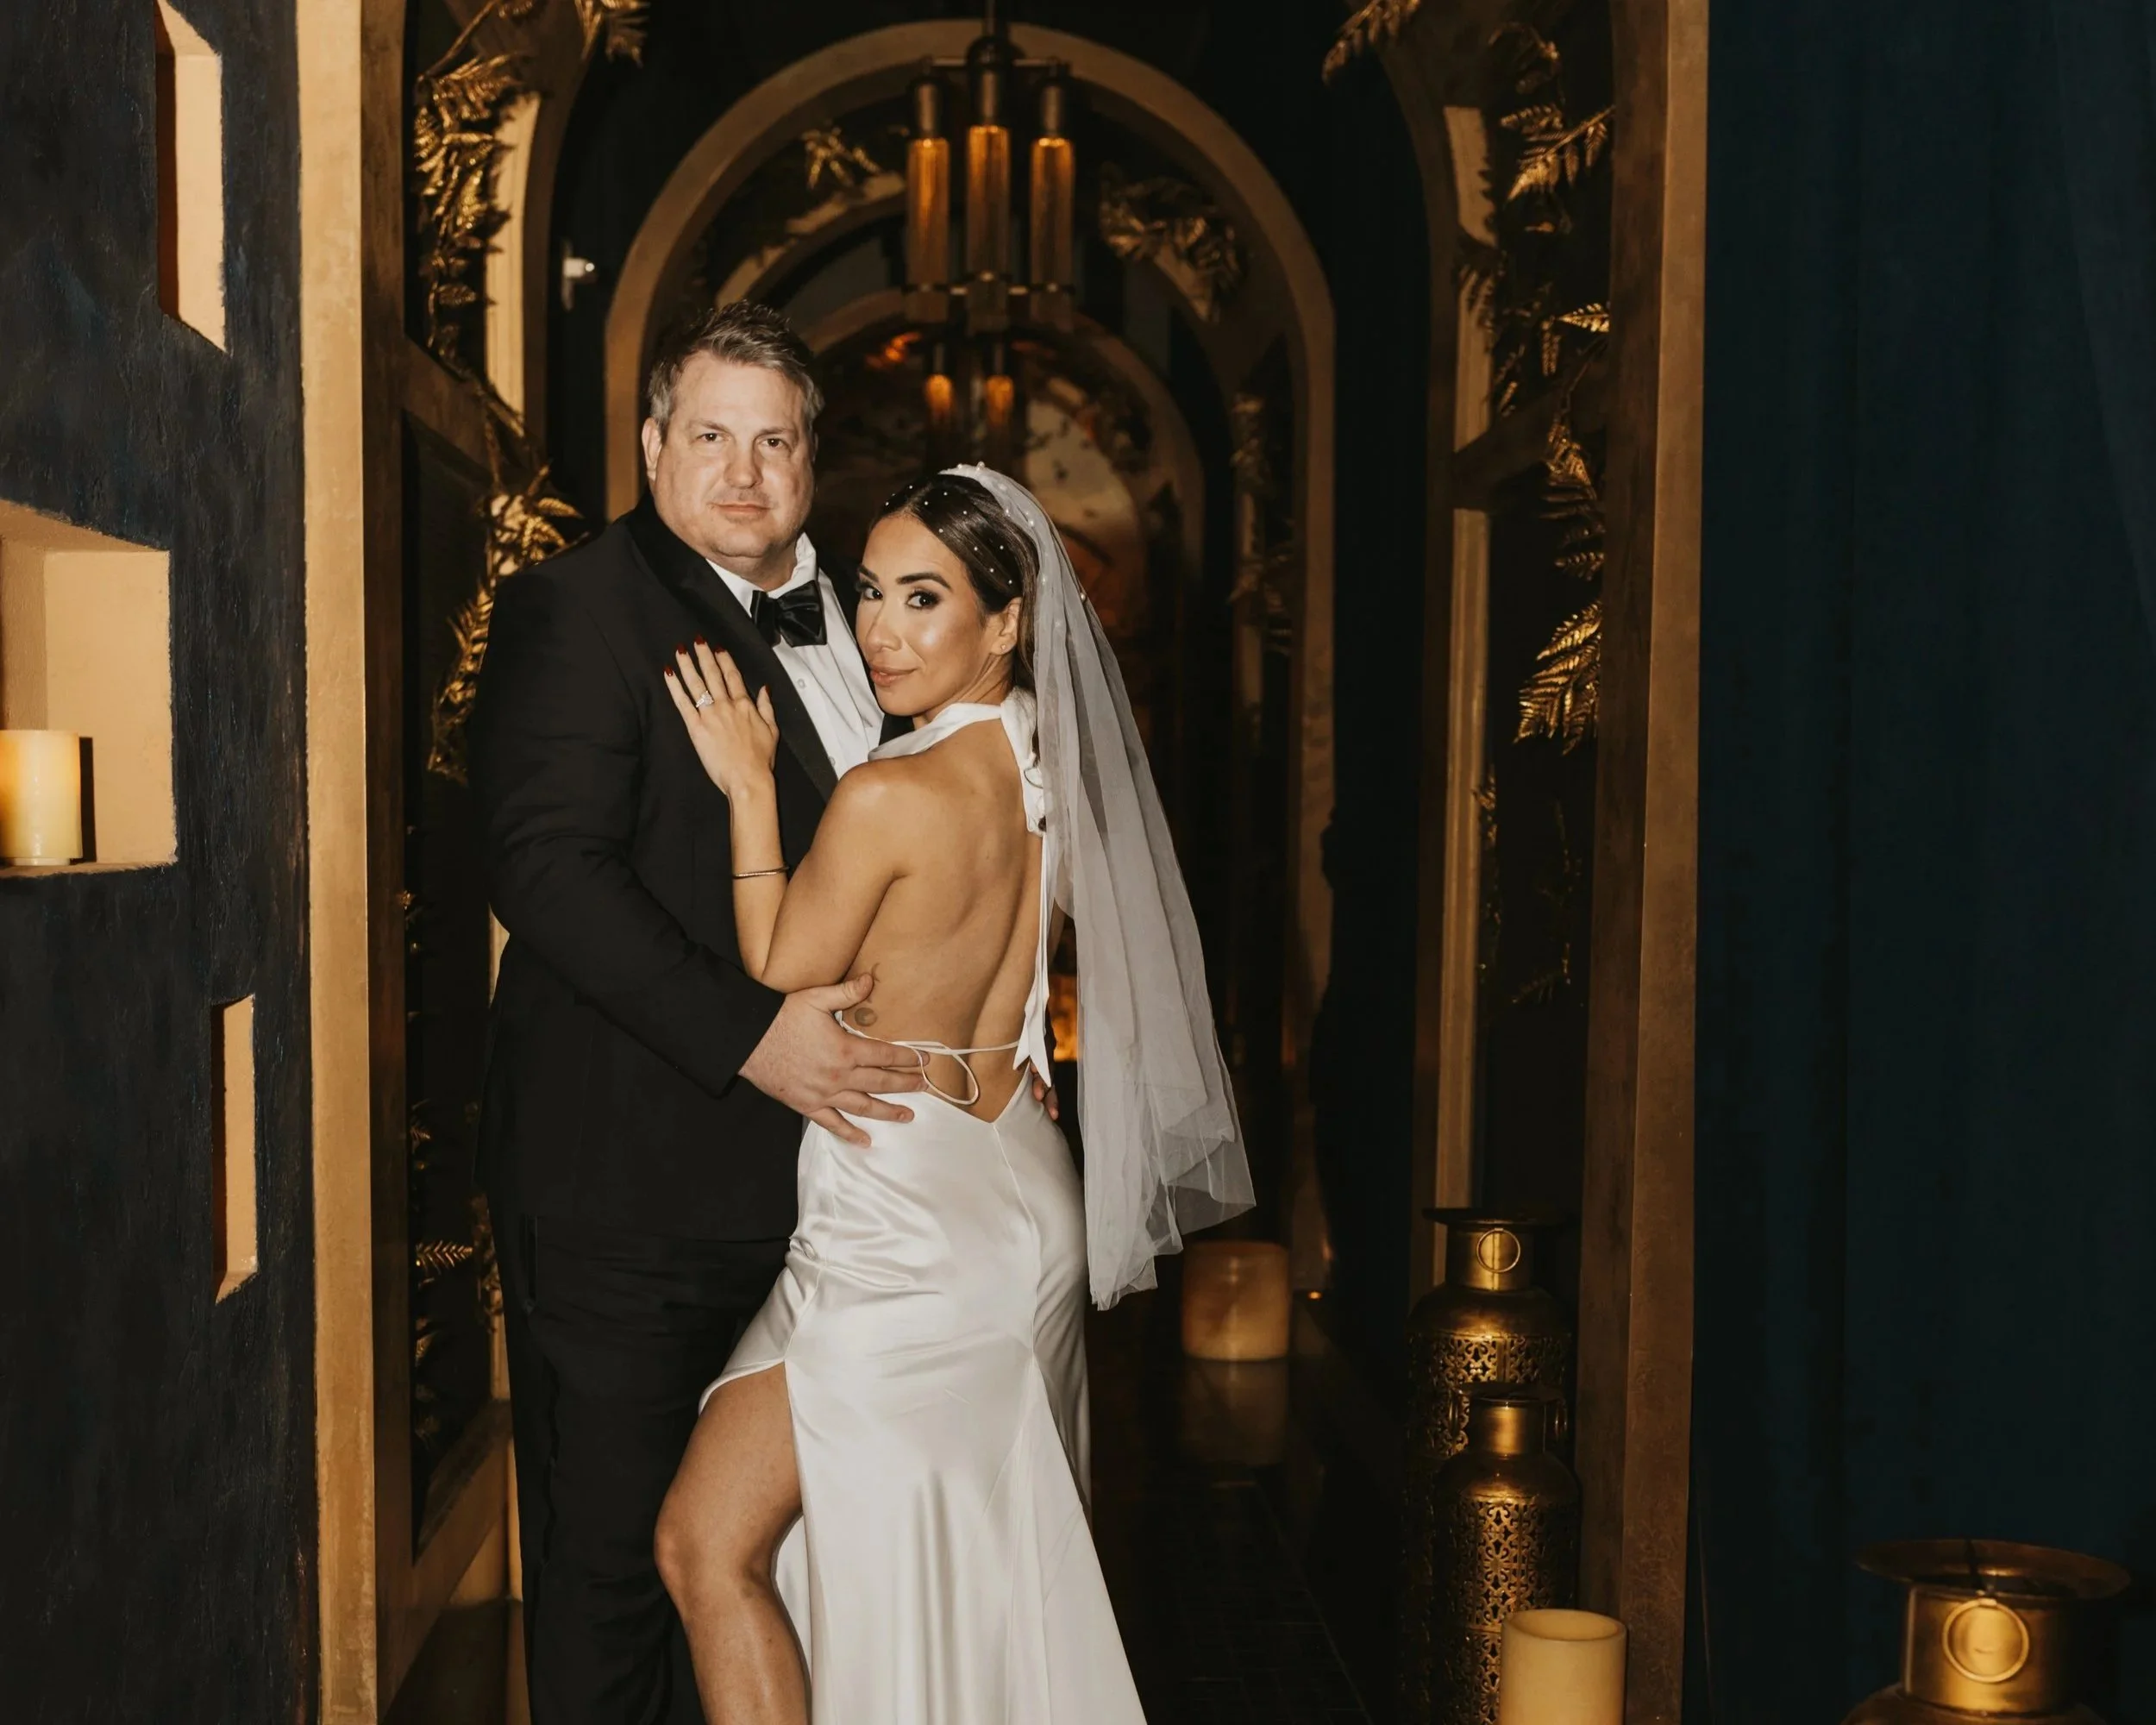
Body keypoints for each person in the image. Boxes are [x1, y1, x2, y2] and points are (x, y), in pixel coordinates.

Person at [650, 467, 1254, 1723]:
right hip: (1021, 1175)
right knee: (968, 1563)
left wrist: (750, 782)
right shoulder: (1049, 768)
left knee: (706, 1546)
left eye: (924, 599)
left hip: (901, 1206)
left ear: (1007, 619)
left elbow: (778, 968)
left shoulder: (889, 795)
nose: (880, 629)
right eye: (871, 593)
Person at [469, 301, 935, 1725]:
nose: (743, 474)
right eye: (712, 437)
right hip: (627, 1194)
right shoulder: (581, 605)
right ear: (656, 444)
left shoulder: (879, 618)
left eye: (774, 441)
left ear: (812, 458)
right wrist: (753, 1038)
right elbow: (543, 868)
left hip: (835, 1201)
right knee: (618, 1570)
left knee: (774, 1564)